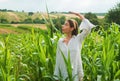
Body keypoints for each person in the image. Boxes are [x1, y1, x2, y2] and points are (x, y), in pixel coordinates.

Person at [54, 11, 96, 81]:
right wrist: (56, 76)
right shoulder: (60, 41)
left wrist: (79, 15)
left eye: (66, 25)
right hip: (63, 75)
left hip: (75, 75)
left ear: (72, 28)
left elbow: (88, 27)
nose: (63, 26)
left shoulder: (78, 39)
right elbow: (58, 59)